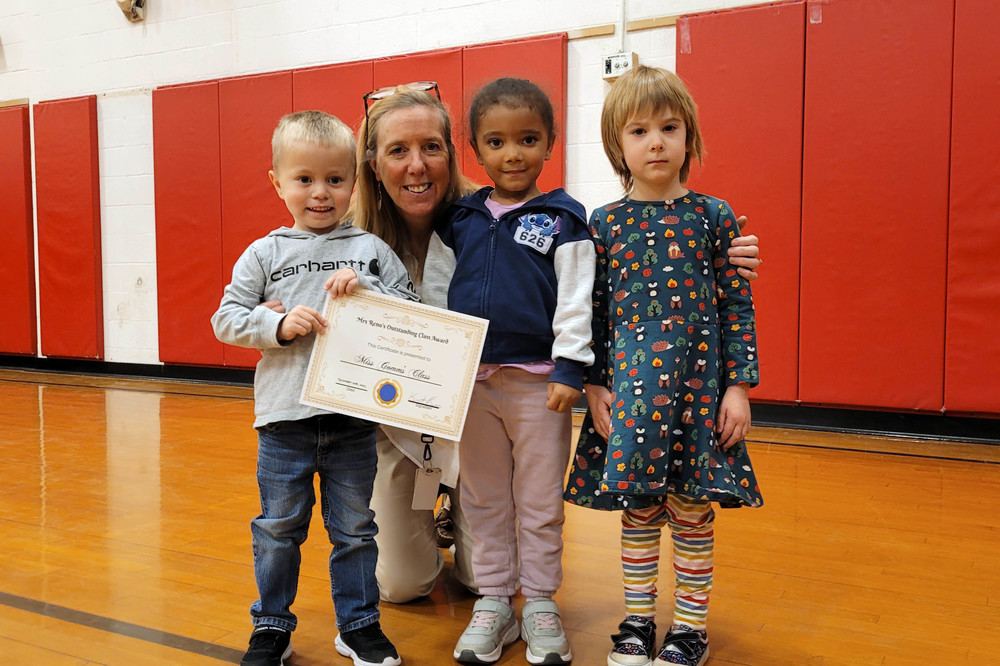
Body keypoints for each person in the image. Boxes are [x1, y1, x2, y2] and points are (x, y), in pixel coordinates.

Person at [352, 82, 762, 607]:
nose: (416, 165)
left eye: (430, 147)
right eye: (397, 151)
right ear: (372, 161)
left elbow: (589, 300)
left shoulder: (486, 214)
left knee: (491, 572)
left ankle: (476, 533)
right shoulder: (350, 236)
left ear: (455, 154)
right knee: (401, 585)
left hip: (520, 392)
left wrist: (726, 256)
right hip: (412, 423)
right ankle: (436, 514)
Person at [563, 65, 763, 666]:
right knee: (641, 511)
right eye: (639, 131)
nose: (656, 142)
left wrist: (740, 387)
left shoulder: (714, 215)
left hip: (700, 394)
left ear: (689, 136)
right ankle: (637, 623)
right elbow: (594, 311)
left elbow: (737, 305)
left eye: (669, 128)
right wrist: (593, 383)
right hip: (632, 396)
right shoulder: (604, 222)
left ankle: (690, 630)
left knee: (694, 513)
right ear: (615, 146)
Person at [211, 110, 415, 666]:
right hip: (283, 423)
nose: (320, 193)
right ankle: (271, 626)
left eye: (335, 179)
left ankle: (359, 625)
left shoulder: (371, 250)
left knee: (354, 530)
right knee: (278, 530)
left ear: (354, 180)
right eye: (304, 179)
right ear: (277, 181)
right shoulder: (264, 253)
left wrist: (368, 290)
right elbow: (224, 319)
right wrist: (273, 326)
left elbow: (413, 314)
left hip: (352, 421)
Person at [435, 77, 591, 666]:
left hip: (538, 384)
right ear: (477, 150)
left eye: (528, 139)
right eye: (496, 142)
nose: (513, 154)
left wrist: (570, 369)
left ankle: (543, 602)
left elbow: (576, 298)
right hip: (473, 384)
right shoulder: (461, 219)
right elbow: (434, 289)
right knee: (483, 498)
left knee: (540, 499)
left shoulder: (564, 218)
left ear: (549, 143)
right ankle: (495, 601)